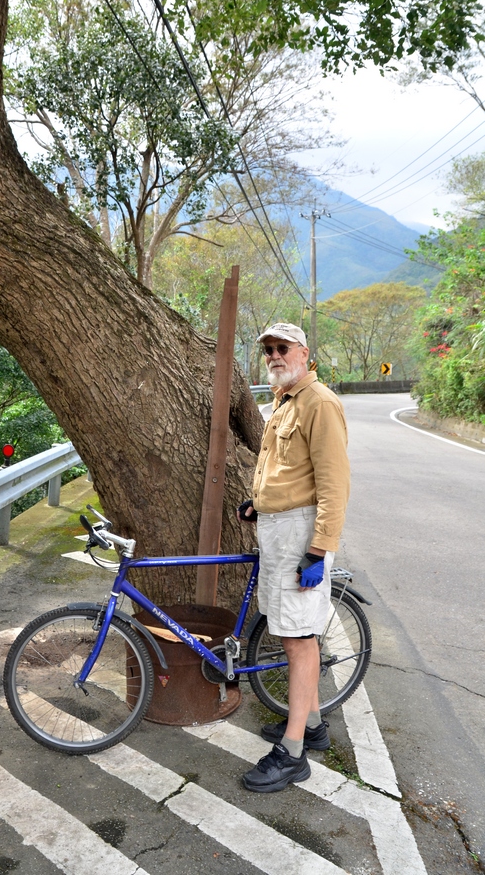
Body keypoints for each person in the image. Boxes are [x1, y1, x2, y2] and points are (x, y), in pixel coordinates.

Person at [237, 321, 350, 793]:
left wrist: (319, 550)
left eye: (282, 348)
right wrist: (257, 502)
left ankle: (293, 752)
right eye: (268, 350)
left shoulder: (320, 402)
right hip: (278, 528)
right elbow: (281, 469)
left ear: (305, 353)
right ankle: (315, 726)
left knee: (300, 639)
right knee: (289, 631)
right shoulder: (286, 401)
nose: (274, 356)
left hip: (301, 534)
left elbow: (334, 485)